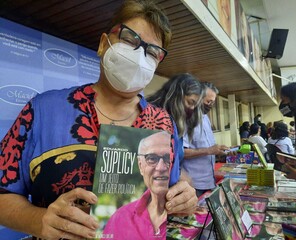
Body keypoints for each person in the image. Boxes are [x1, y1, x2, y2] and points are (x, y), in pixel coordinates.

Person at [0, 1, 197, 239]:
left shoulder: (163, 124)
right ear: (104, 44)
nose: (139, 56)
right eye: (130, 40)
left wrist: (185, 197)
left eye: (152, 52)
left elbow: (172, 188)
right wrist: (39, 220)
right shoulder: (42, 111)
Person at [103, 131, 171, 239]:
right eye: (152, 158)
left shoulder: (197, 216)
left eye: (169, 158)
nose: (161, 168)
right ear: (140, 166)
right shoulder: (120, 218)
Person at [182, 82, 229, 197]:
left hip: (209, 180)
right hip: (193, 184)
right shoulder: (185, 120)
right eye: (208, 101)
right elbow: (181, 152)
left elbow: (210, 147)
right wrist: (209, 151)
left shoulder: (205, 118)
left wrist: (221, 151)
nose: (210, 105)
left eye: (212, 102)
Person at [146, 73, 203, 139]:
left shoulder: (176, 119)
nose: (192, 108)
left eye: (195, 106)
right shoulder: (151, 115)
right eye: (190, 102)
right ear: (177, 95)